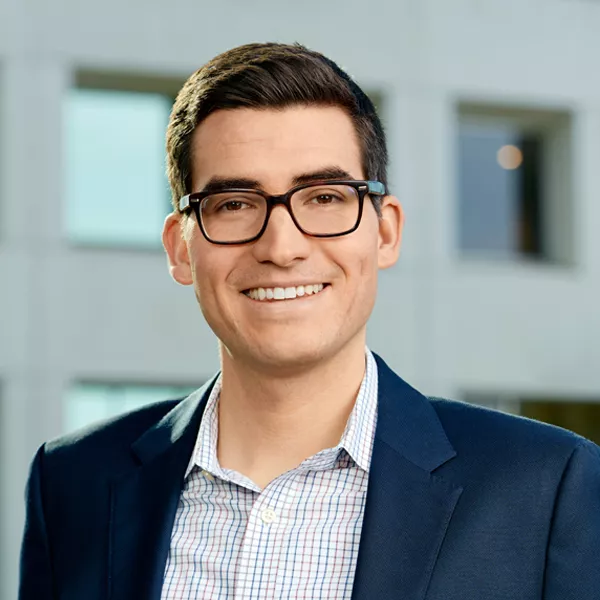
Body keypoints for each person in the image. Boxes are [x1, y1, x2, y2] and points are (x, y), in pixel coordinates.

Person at [19, 42, 600, 600]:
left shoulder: (548, 486)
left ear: (386, 231)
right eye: (235, 204)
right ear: (180, 248)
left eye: (323, 197)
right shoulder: (72, 483)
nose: (282, 246)